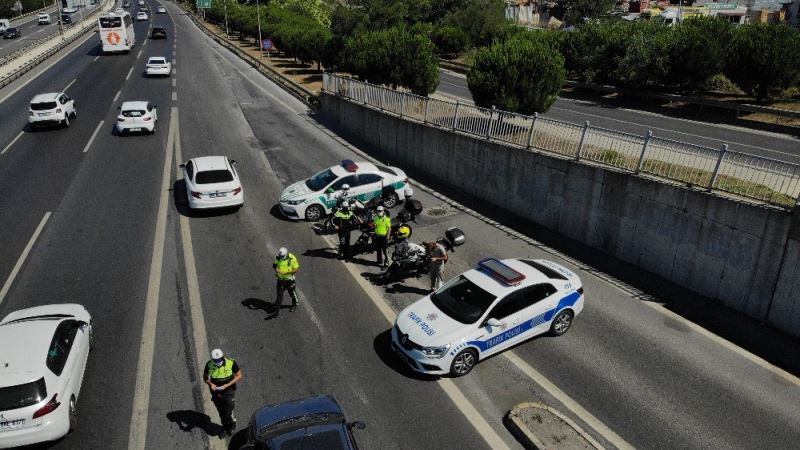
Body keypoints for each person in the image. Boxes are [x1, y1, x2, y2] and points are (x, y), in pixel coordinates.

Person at [203, 348, 243, 437]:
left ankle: (232, 424)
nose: (218, 362)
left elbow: (239, 375)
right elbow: (205, 377)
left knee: (228, 410)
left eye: (219, 360)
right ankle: (225, 428)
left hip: (229, 391)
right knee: (221, 412)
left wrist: (228, 384)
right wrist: (210, 383)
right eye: (216, 361)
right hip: (216, 392)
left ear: (222, 357)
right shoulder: (209, 364)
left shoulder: (231, 363)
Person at [270, 247, 299, 318]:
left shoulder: (292, 258)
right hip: (280, 280)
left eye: (282, 256)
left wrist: (286, 272)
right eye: (280, 256)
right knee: (279, 296)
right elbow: (274, 265)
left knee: (292, 293)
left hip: (289, 280)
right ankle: (275, 312)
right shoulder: (278, 257)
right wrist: (277, 269)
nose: (280, 257)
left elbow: (296, 269)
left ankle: (295, 304)